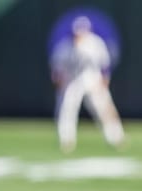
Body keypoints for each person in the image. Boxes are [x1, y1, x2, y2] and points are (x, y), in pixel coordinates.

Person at [49, 15, 125, 153]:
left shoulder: (95, 43)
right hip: (72, 80)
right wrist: (59, 80)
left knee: (104, 108)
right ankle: (66, 141)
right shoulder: (65, 46)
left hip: (92, 78)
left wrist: (104, 79)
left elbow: (105, 64)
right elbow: (57, 67)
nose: (79, 36)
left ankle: (116, 137)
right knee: (66, 109)